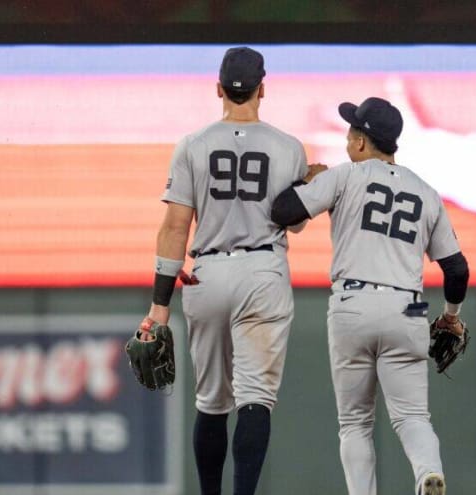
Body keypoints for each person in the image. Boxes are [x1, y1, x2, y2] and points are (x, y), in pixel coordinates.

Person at [140, 46, 323, 495]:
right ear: (263, 89)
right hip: (263, 271)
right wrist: (310, 185)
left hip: (208, 272)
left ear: (219, 89)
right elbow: (294, 222)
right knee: (255, 400)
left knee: (211, 402)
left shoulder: (194, 144)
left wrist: (159, 306)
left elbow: (175, 227)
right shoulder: (288, 146)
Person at [270, 96, 470, 495]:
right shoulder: (426, 192)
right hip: (406, 309)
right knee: (413, 417)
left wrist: (309, 181)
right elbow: (457, 269)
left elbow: (281, 211)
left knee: (355, 423)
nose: (347, 139)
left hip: (352, 306)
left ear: (362, 142)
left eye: (351, 132)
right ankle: (427, 473)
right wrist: (450, 316)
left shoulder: (344, 176)